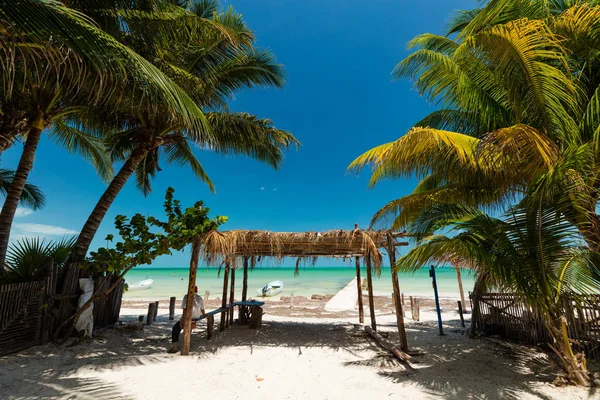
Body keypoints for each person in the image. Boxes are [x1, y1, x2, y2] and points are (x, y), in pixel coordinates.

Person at [168, 285, 207, 353]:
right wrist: (204, 315)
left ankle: (174, 347)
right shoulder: (200, 297)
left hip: (189, 317)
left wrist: (183, 319)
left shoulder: (187, 296)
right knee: (187, 329)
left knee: (175, 329)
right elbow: (202, 308)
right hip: (196, 317)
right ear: (197, 291)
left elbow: (184, 309)